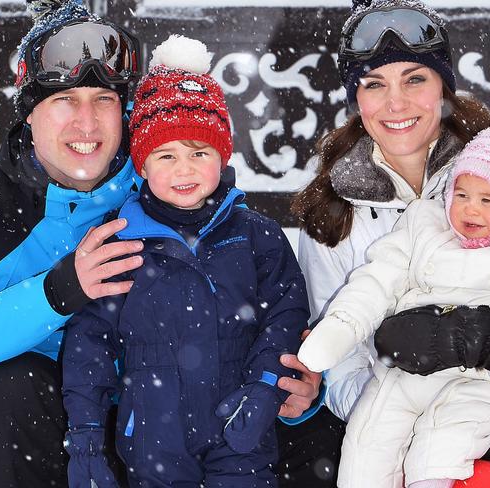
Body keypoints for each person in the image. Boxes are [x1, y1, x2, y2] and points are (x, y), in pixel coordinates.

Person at [0, 2, 318, 487]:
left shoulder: (166, 178)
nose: (87, 123)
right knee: (6, 390)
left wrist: (297, 387)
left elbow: (256, 294)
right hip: (62, 430)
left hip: (182, 418)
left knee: (314, 428)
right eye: (63, 100)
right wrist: (53, 295)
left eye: (103, 99)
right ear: (29, 112)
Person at [291, 1, 490, 487]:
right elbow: (340, 367)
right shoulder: (332, 214)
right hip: (391, 448)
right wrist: (401, 397)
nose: (396, 104)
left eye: (414, 79)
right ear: (355, 98)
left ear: (443, 86)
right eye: (374, 84)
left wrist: (489, 343)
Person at [61, 35, 310, 488]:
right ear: (142, 164)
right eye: (166, 155)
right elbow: (89, 345)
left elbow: (287, 314)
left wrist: (265, 384)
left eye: (200, 153)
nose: (184, 169)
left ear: (222, 157)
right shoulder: (119, 242)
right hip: (152, 441)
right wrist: (87, 438)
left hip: (241, 431)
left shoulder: (255, 234)